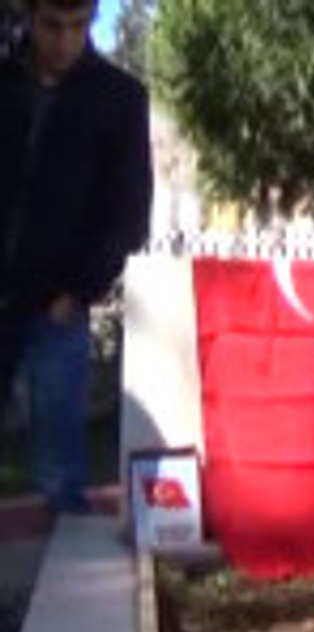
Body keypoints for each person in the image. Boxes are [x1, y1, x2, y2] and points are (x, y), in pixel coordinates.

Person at [0, 0, 152, 514]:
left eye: (78, 26)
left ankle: (62, 595)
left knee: (58, 476)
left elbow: (128, 215)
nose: (65, 41)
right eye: (52, 26)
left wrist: (78, 292)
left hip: (56, 309)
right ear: (28, 16)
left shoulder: (119, 98)